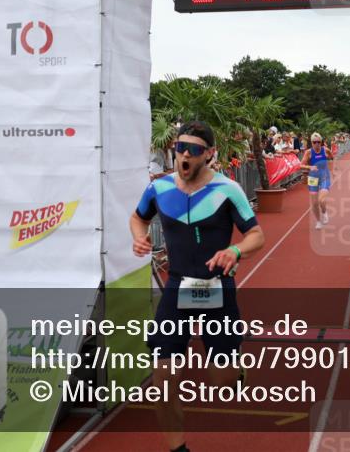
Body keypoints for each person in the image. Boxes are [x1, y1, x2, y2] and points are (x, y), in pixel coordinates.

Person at [128, 120, 265, 452]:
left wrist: (234, 250)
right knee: (163, 376)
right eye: (180, 148)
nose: (184, 156)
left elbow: (257, 235)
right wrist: (139, 239)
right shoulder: (158, 189)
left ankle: (235, 370)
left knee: (223, 383)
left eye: (194, 150)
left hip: (216, 288)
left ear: (209, 154)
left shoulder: (227, 190)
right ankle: (178, 448)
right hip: (177, 288)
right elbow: (138, 218)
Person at [300, 132, 333, 230]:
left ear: (321, 142)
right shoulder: (308, 152)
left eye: (319, 142)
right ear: (311, 142)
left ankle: (324, 212)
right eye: (314, 142)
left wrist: (331, 167)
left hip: (324, 177)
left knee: (321, 200)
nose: (317, 144)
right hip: (313, 178)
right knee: (314, 203)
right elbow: (300, 165)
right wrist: (310, 167)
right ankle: (318, 222)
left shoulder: (325, 150)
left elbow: (332, 158)